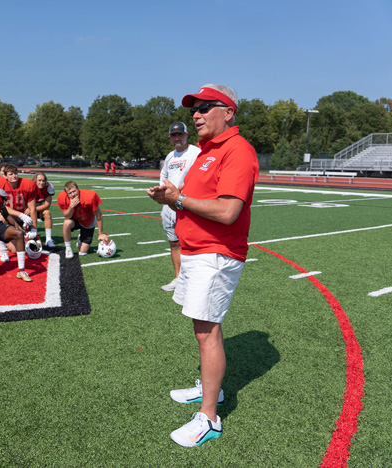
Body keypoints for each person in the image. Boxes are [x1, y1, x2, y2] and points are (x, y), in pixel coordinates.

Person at [146, 84, 258, 447]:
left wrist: (180, 198)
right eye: (194, 108)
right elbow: (196, 200)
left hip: (216, 252)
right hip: (197, 252)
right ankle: (213, 391)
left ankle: (209, 417)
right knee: (203, 327)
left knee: (207, 332)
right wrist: (173, 200)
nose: (196, 114)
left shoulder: (237, 150)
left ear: (229, 112)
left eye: (206, 107)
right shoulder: (208, 151)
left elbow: (228, 211)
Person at [159, 122, 201, 292]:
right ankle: (178, 279)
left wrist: (178, 192)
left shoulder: (196, 153)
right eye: (173, 135)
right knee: (174, 243)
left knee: (190, 243)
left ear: (187, 134)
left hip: (187, 204)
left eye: (180, 134)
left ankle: (194, 281)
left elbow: (198, 178)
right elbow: (164, 176)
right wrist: (162, 192)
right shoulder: (170, 156)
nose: (177, 138)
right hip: (169, 207)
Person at [0, 165, 38, 262]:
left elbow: (32, 208)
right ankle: (2, 250)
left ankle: (21, 236)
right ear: (5, 176)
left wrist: (34, 228)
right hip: (8, 217)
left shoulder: (28, 184)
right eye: (11, 174)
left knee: (14, 250)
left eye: (15, 173)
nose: (14, 176)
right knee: (1, 217)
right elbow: (2, 207)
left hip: (21, 218)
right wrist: (20, 214)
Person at [57, 181, 108, 259]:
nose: (73, 194)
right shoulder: (62, 197)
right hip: (74, 219)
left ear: (78, 189)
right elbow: (67, 216)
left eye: (74, 191)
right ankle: (68, 248)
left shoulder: (89, 196)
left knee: (82, 252)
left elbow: (99, 215)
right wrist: (71, 206)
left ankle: (80, 240)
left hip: (88, 221)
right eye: (70, 193)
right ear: (66, 193)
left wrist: (100, 233)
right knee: (66, 223)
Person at [31, 172, 56, 248]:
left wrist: (34, 209)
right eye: (39, 180)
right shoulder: (30, 186)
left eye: (43, 180)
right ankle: (30, 236)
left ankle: (48, 239)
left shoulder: (49, 187)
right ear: (35, 180)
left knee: (47, 213)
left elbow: (47, 205)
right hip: (28, 209)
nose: (41, 183)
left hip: (38, 209)